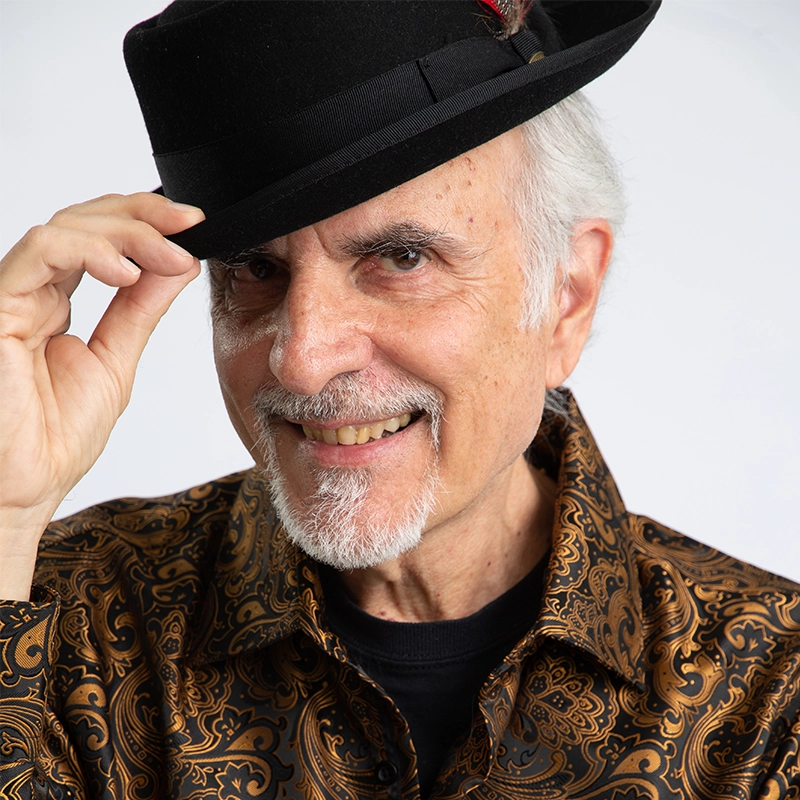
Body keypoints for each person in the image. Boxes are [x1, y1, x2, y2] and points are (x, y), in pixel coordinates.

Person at [2, 2, 799, 799]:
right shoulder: (55, 615)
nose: (304, 359)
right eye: (254, 268)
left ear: (568, 295)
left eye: (401, 256)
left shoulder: (772, 694)